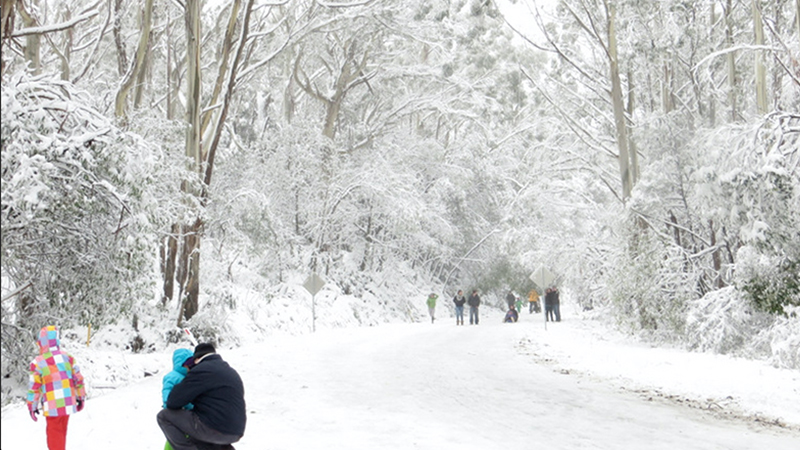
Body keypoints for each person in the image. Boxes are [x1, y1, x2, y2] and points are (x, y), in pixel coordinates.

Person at [158, 343, 246, 450]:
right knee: (201, 435)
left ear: (196, 359)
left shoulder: (202, 370)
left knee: (164, 416)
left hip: (214, 429)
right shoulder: (230, 371)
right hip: (236, 431)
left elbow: (173, 401)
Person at [27, 325, 86, 450]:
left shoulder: (37, 362)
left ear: (41, 343)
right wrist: (80, 397)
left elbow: (34, 387)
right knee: (62, 431)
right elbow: (78, 379)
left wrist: (32, 406)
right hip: (68, 402)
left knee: (54, 433)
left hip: (52, 404)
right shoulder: (68, 358)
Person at [162, 348, 195, 450]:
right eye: (188, 362)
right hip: (178, 413)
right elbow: (167, 397)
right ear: (180, 363)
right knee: (176, 439)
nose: (190, 365)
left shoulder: (192, 377)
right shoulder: (172, 377)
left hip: (188, 415)